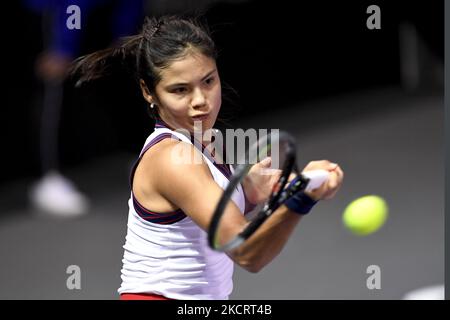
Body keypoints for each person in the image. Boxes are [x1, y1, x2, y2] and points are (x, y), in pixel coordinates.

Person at [71, 15, 344, 300]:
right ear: (148, 91)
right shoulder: (173, 158)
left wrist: (248, 196)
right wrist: (301, 197)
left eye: (208, 81)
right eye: (180, 90)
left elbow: (199, 218)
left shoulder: (202, 139)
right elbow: (247, 253)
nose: (200, 100)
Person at [23, 0, 143, 217]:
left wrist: (124, 31)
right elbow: (73, 5)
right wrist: (63, 46)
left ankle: (141, 158)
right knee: (54, 88)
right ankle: (48, 178)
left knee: (123, 74)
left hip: (100, 11)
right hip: (60, 10)